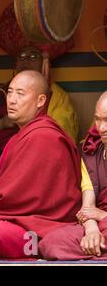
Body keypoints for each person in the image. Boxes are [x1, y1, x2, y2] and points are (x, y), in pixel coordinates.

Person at [0, 70, 82, 260]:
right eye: (9, 92)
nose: (11, 100)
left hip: (44, 225)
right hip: (20, 219)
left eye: (20, 94)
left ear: (41, 101)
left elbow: (20, 197)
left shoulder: (45, 136)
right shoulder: (18, 138)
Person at [0, 4, 79, 181]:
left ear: (45, 62)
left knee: (20, 165)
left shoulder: (56, 96)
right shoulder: (1, 93)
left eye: (32, 56)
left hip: (26, 154)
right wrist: (1, 124)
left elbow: (58, 139)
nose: (25, 61)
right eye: (21, 57)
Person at [39, 91, 107, 260]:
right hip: (99, 227)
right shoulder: (91, 153)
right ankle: (96, 249)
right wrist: (91, 230)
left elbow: (96, 213)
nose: (101, 128)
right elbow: (88, 208)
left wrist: (102, 216)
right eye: (98, 119)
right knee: (51, 243)